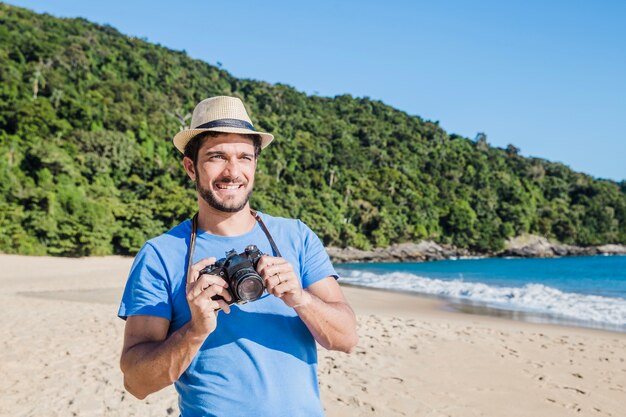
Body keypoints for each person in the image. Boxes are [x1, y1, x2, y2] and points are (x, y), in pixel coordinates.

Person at [118, 96, 359, 417]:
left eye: (244, 157)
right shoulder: (161, 254)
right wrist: (195, 330)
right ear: (191, 167)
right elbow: (136, 382)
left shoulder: (296, 236)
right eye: (217, 156)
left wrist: (300, 298)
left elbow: (347, 338)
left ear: (255, 164)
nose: (233, 171)